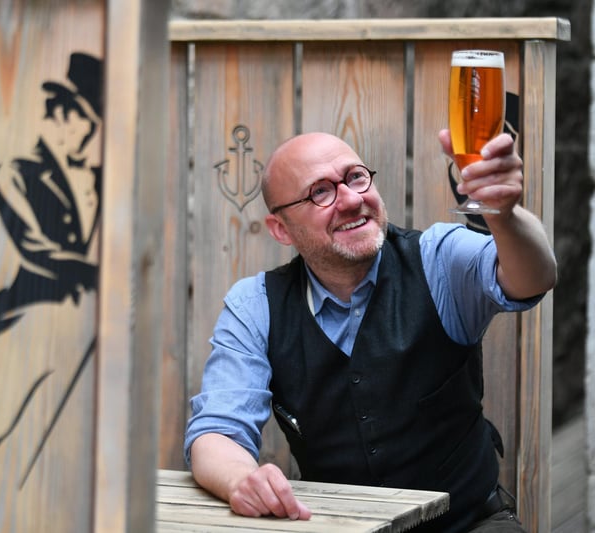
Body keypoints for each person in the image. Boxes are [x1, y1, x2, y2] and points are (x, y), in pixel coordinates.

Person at [184, 130, 556, 532]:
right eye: (320, 192)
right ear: (281, 230)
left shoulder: (438, 258)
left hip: (470, 525)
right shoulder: (256, 306)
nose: (350, 199)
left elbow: (533, 278)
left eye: (356, 177)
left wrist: (506, 214)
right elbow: (216, 432)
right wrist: (242, 479)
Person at [0, 52, 102, 517]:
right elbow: (37, 249)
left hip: (85, 319)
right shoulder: (16, 173)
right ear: (63, 113)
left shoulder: (97, 179)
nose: (88, 136)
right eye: (84, 123)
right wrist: (96, 276)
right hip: (28, 304)